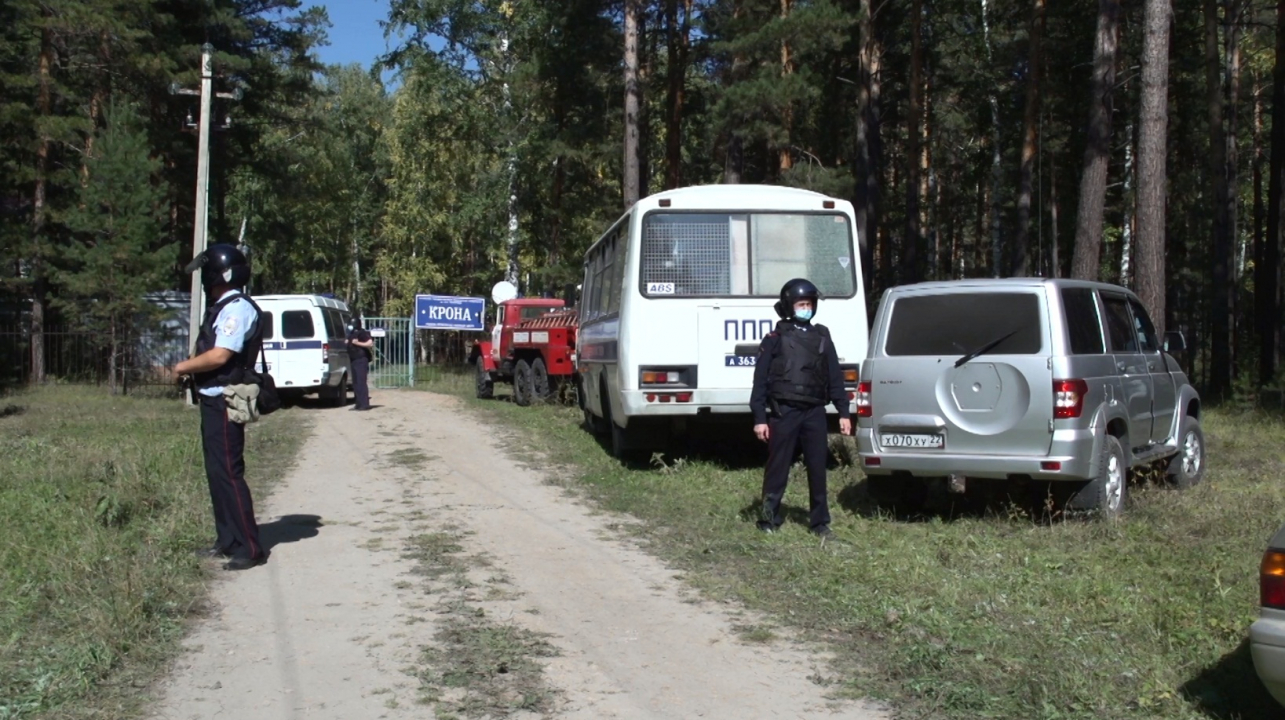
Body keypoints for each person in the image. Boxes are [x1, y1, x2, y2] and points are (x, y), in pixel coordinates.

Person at [174, 244, 269, 571]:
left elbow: (220, 355)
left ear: (219, 273)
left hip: (227, 398)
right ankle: (227, 539)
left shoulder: (236, 309)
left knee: (229, 472)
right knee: (217, 473)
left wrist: (182, 367)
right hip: (213, 397)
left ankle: (249, 547)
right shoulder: (224, 306)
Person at [749, 278, 853, 538]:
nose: (806, 308)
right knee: (778, 466)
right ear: (789, 306)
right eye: (801, 304)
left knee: (818, 468)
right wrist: (760, 418)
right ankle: (770, 519)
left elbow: (835, 377)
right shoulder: (774, 339)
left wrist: (843, 412)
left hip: (814, 413)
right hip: (784, 411)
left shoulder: (822, 336)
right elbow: (760, 381)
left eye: (809, 304)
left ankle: (819, 523)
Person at [347, 316, 373, 411]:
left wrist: (358, 343)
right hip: (353, 360)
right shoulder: (352, 333)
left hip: (361, 360)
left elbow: (370, 343)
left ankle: (364, 404)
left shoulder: (362, 333)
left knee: (361, 382)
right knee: (356, 383)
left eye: (351, 324)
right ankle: (358, 403)